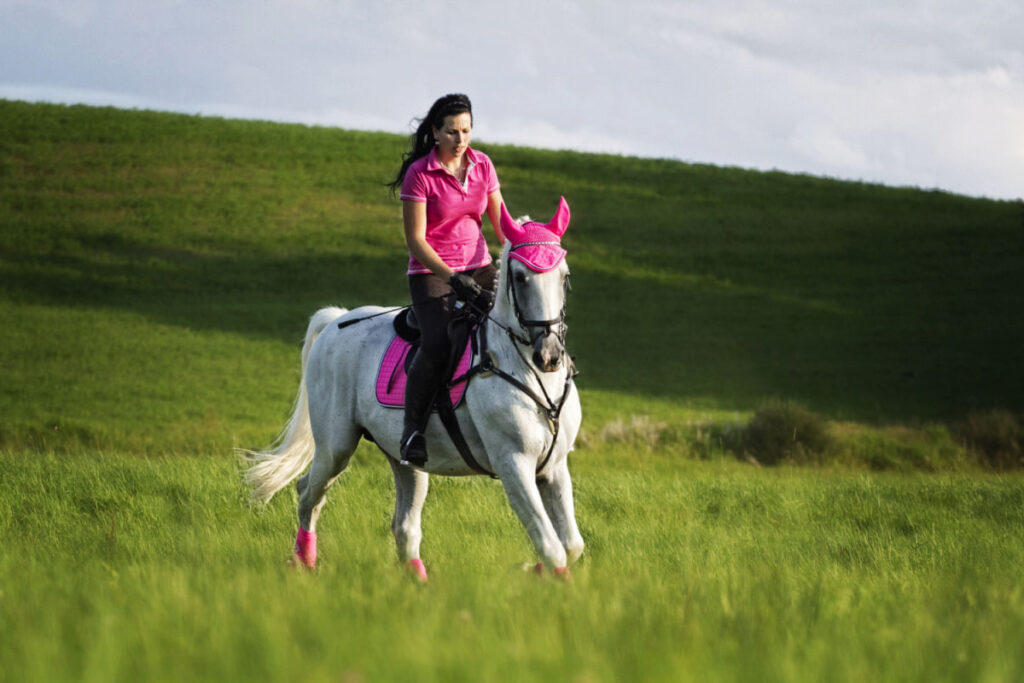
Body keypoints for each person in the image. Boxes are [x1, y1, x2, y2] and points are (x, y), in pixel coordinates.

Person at [387, 93, 505, 468]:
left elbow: (502, 225)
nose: (461, 139)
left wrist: (530, 248)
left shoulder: (483, 165)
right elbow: (416, 241)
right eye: (452, 131)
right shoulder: (420, 174)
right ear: (436, 133)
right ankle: (412, 431)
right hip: (432, 274)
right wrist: (451, 277)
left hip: (481, 267)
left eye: (466, 130)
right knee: (437, 343)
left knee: (515, 321)